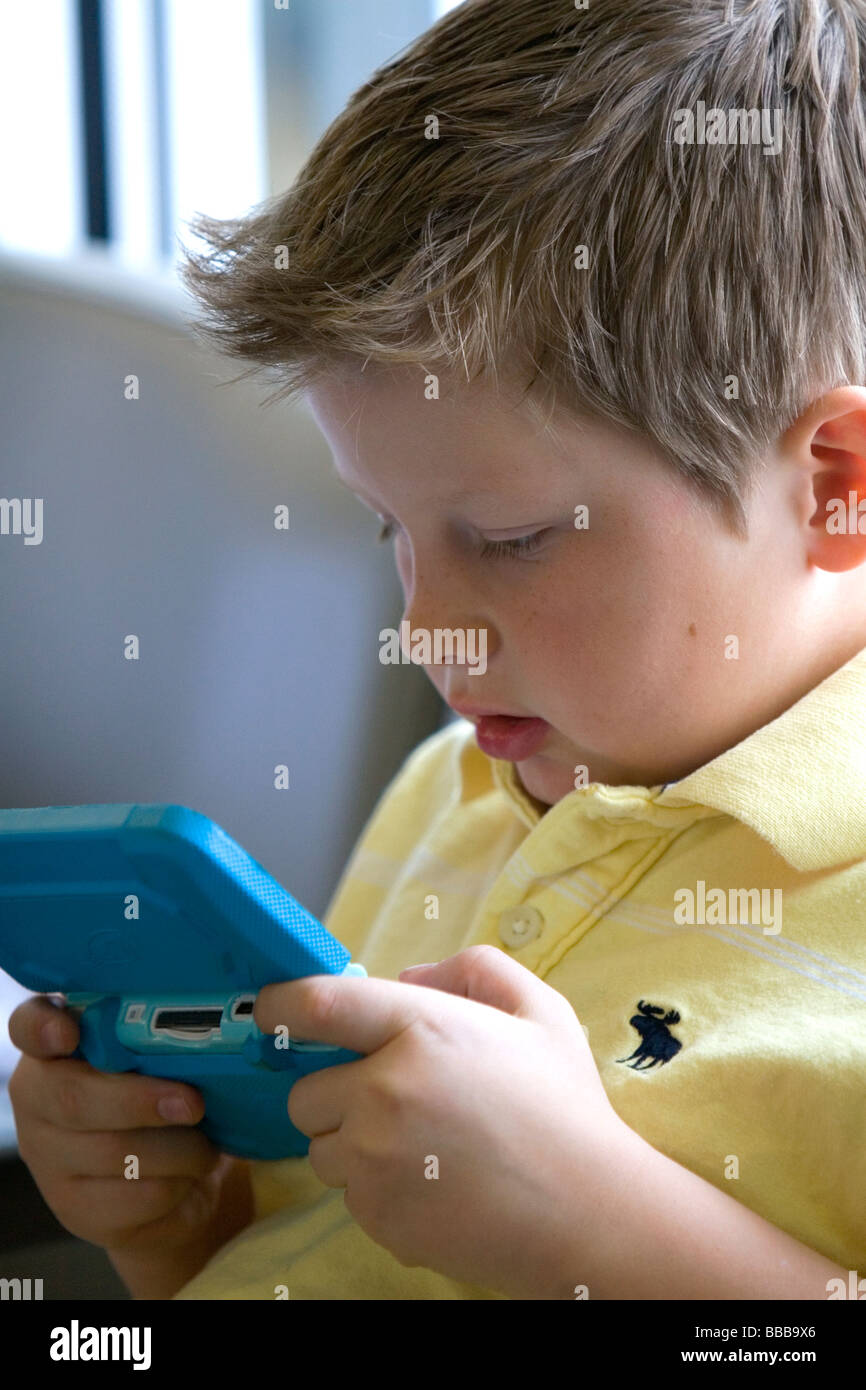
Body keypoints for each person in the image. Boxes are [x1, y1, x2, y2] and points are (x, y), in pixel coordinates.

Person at [9, 0, 866, 1299]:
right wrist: (183, 1224)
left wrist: (592, 1223)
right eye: (385, 528)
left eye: (512, 536)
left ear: (833, 487)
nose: (423, 627)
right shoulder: (445, 794)